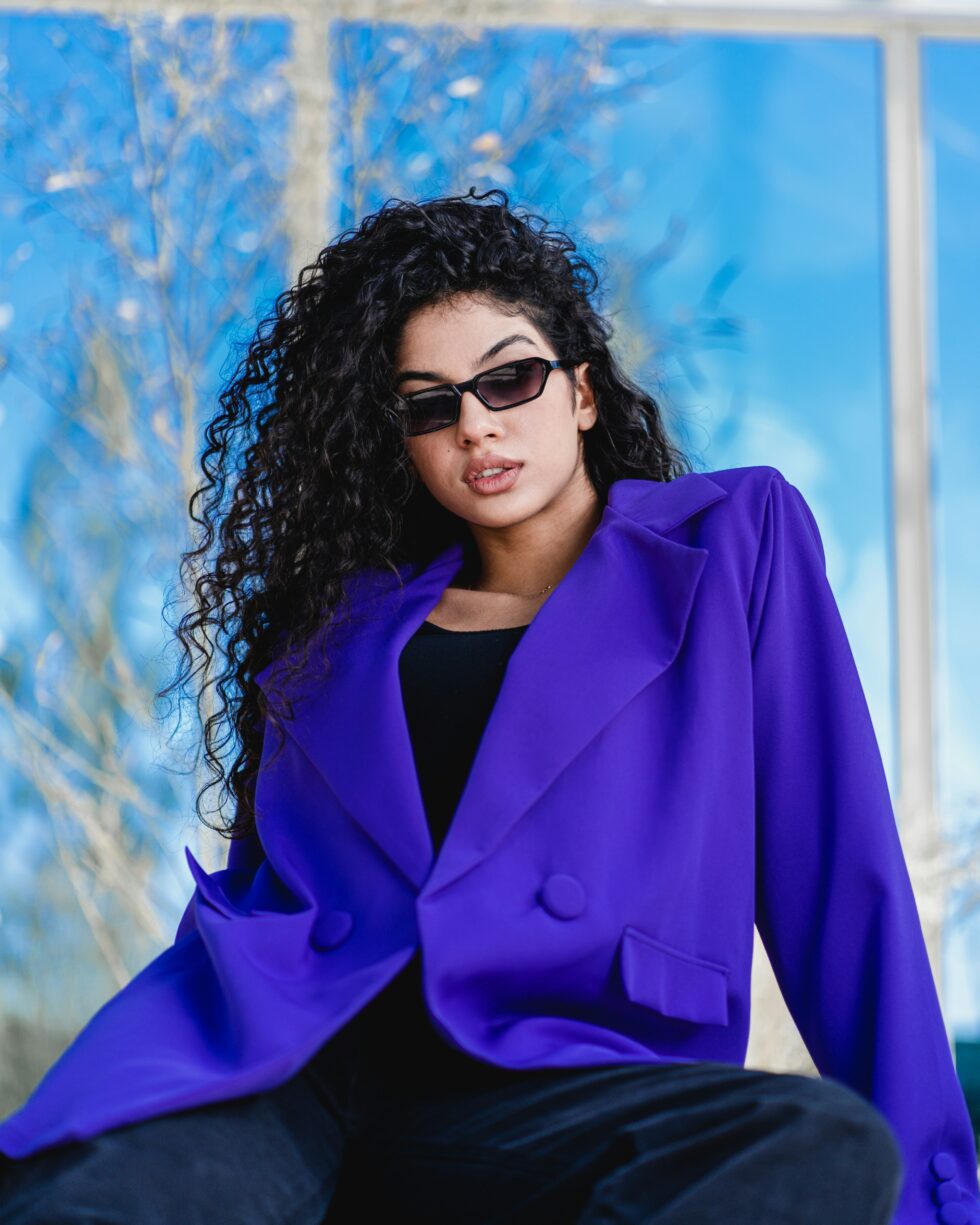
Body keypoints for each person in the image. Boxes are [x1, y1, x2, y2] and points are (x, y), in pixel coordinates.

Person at [0, 187, 975, 1225]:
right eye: (429, 405)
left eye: (509, 379)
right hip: (296, 1059)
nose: (475, 424)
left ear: (583, 392)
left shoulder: (729, 544)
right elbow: (271, 874)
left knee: (815, 1144)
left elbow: (840, 880)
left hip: (550, 1076)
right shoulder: (333, 630)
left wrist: (937, 1200)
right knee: (96, 1202)